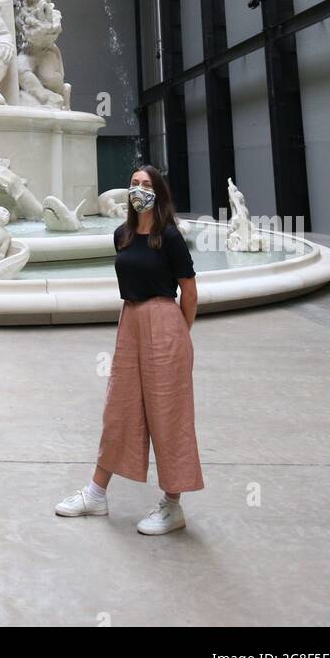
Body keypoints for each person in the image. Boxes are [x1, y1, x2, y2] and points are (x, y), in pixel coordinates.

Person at [56, 165, 204, 535]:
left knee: (168, 415)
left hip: (164, 321)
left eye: (147, 185)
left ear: (159, 193)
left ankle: (173, 505)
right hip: (131, 322)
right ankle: (96, 493)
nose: (139, 190)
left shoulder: (168, 236)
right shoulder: (122, 234)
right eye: (134, 184)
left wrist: (178, 334)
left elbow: (189, 290)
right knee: (119, 409)